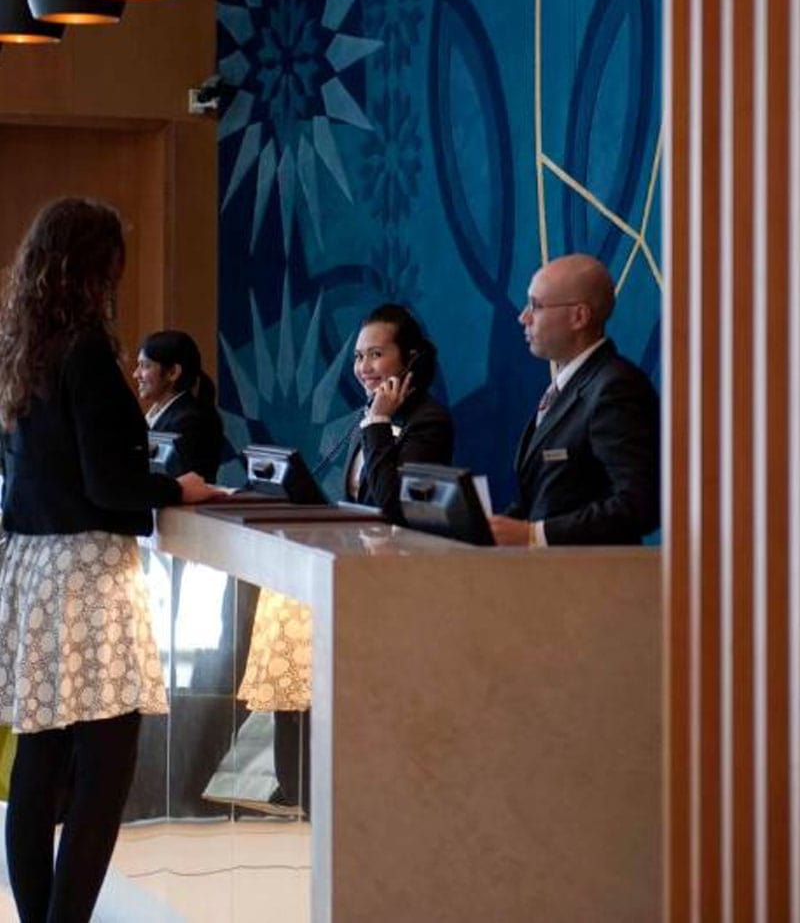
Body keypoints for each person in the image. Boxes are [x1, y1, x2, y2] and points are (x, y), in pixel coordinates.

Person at [0, 197, 215, 923]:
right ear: (96, 266)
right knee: (105, 765)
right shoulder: (87, 351)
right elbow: (111, 483)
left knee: (40, 754)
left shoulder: (23, 347)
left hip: (31, 565)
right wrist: (175, 488)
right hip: (87, 573)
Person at [237, 303, 453, 815]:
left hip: (398, 591)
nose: (364, 368)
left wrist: (378, 424)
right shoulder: (368, 421)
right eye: (359, 357)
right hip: (357, 583)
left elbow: (390, 502)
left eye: (377, 354)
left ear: (411, 359)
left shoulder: (427, 421)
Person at [489, 253, 659, 547]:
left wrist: (534, 535)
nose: (523, 317)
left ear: (579, 316)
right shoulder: (568, 386)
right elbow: (548, 498)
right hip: (548, 580)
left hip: (592, 583)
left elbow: (639, 505)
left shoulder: (616, 387)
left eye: (536, 306)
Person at [134, 329, 224, 482]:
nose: (136, 375)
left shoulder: (191, 421)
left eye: (145, 366)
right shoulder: (162, 414)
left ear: (173, 372)